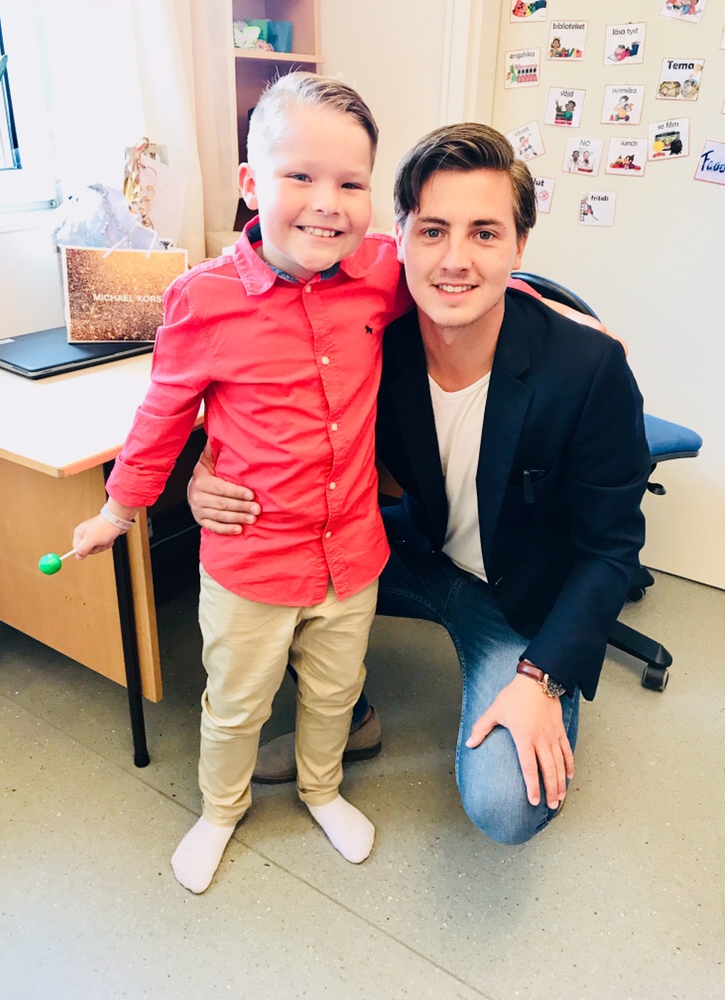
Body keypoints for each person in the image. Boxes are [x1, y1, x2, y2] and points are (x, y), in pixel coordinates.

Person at [189, 122, 649, 845]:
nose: (455, 260)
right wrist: (204, 471)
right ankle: (352, 721)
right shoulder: (376, 340)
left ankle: (517, 683)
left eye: (485, 233)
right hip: (415, 550)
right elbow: (279, 413)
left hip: (519, 598)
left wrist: (542, 678)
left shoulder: (586, 370)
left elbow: (611, 551)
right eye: (433, 231)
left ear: (519, 247)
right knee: (271, 558)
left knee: (506, 807)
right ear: (398, 237)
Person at [70, 72, 414, 894]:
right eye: (301, 176)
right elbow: (163, 412)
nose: (327, 203)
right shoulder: (203, 297)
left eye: (352, 183)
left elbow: (460, 281)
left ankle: (322, 789)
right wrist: (120, 508)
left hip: (350, 551)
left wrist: (562, 315)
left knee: (334, 693)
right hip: (250, 559)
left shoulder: (381, 270)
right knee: (236, 702)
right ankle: (221, 809)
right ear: (252, 184)